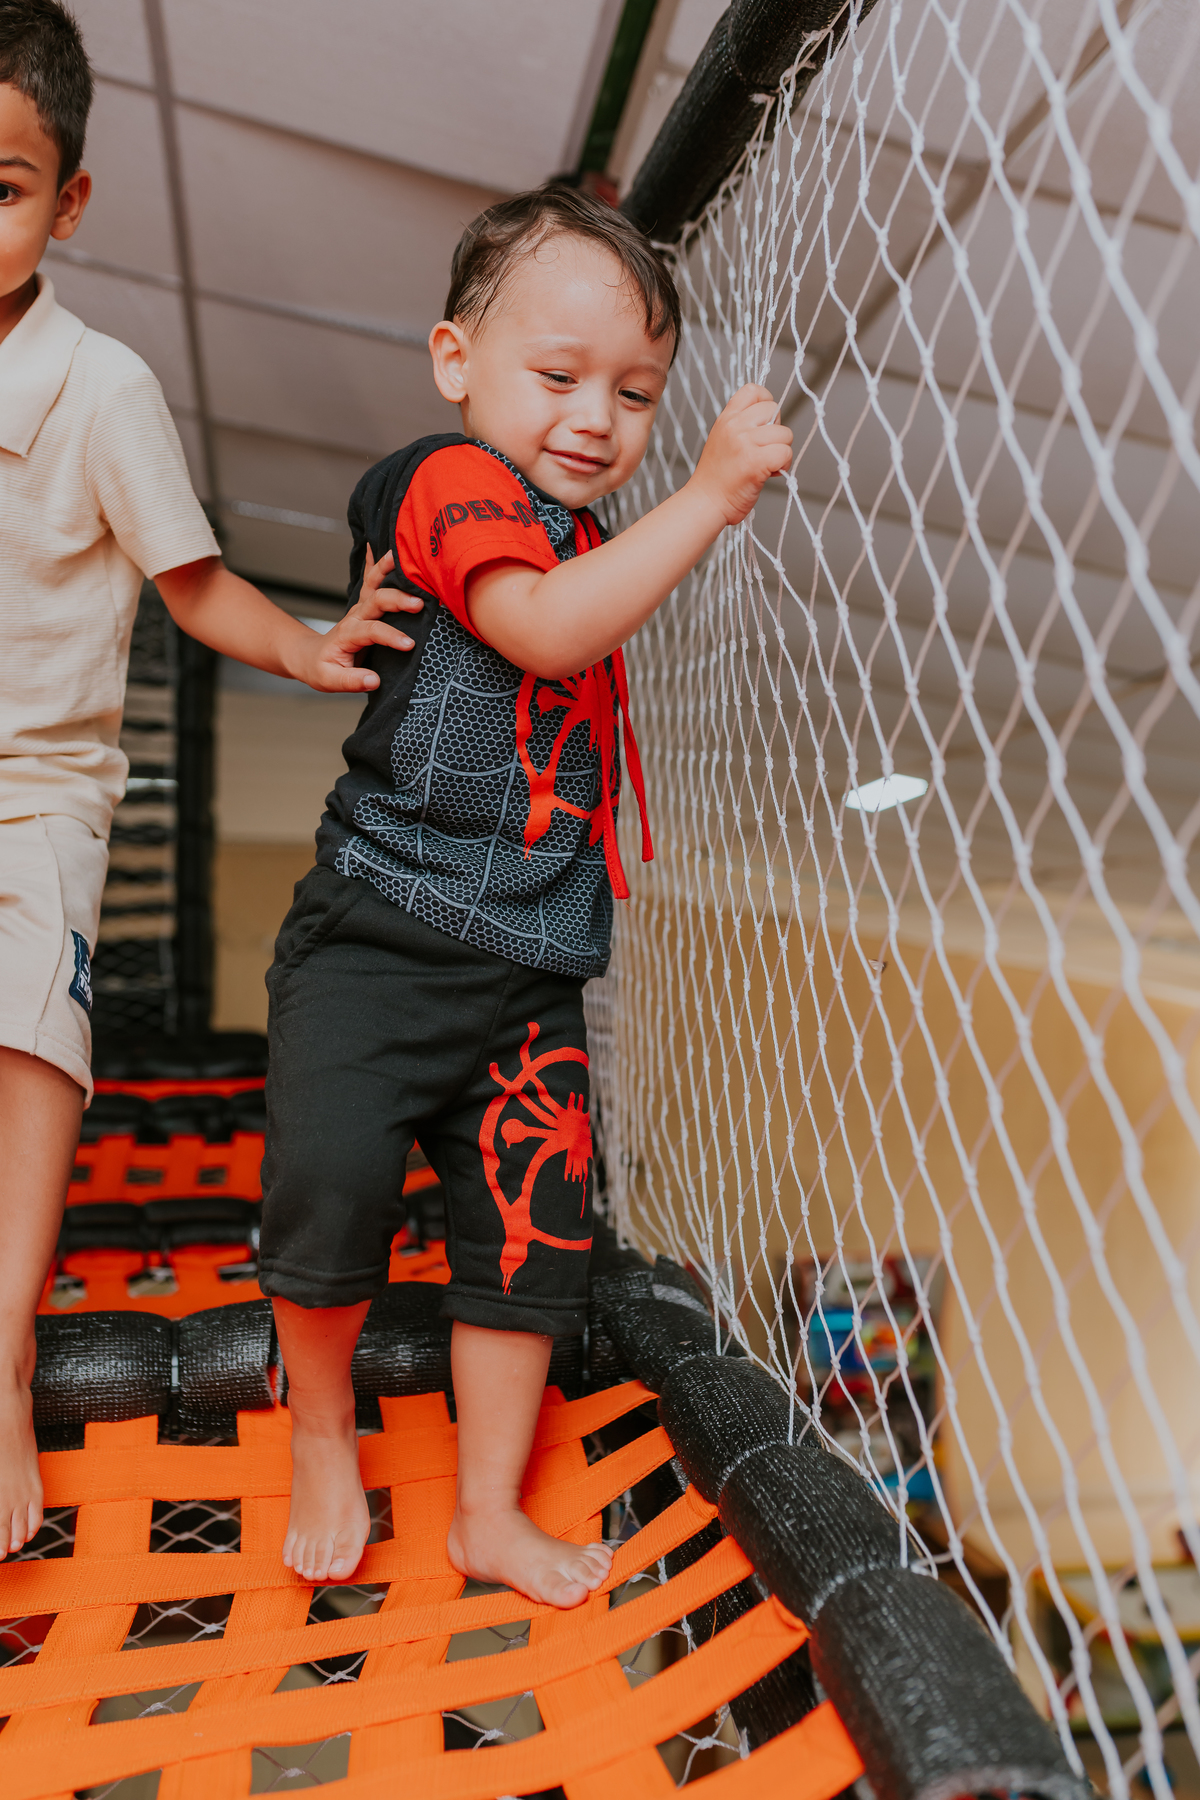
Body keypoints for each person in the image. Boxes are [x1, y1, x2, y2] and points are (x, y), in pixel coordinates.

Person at [257, 182, 793, 1607]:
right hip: (379, 933)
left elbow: (585, 619)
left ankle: (486, 1512)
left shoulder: (585, 543)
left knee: (533, 1238)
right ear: (456, 364)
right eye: (556, 377)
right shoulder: (445, 485)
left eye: (637, 393)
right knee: (331, 1190)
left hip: (529, 974)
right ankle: (321, 1431)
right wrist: (712, 489)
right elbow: (543, 638)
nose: (595, 419)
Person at [0, 0, 410, 1561]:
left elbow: (192, 584)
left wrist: (312, 650)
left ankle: (3, 1353)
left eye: (3, 188)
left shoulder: (99, 390)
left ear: (68, 200)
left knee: (29, 1033)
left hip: (38, 787)